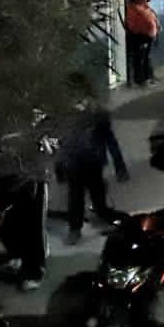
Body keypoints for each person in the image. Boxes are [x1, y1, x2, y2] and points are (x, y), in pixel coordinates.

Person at [53, 90, 129, 244]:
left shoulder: (97, 115)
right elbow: (60, 143)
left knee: (96, 191)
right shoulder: (65, 117)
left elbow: (110, 140)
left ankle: (97, 216)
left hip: (92, 161)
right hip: (74, 163)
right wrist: (59, 168)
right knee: (76, 196)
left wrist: (120, 166)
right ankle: (76, 228)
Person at [124, 0, 162, 86]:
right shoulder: (133, 8)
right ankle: (141, 80)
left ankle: (149, 77)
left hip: (150, 36)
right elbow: (130, 23)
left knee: (147, 58)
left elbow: (153, 17)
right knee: (140, 59)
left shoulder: (146, 7)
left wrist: (157, 27)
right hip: (140, 37)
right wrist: (139, 33)